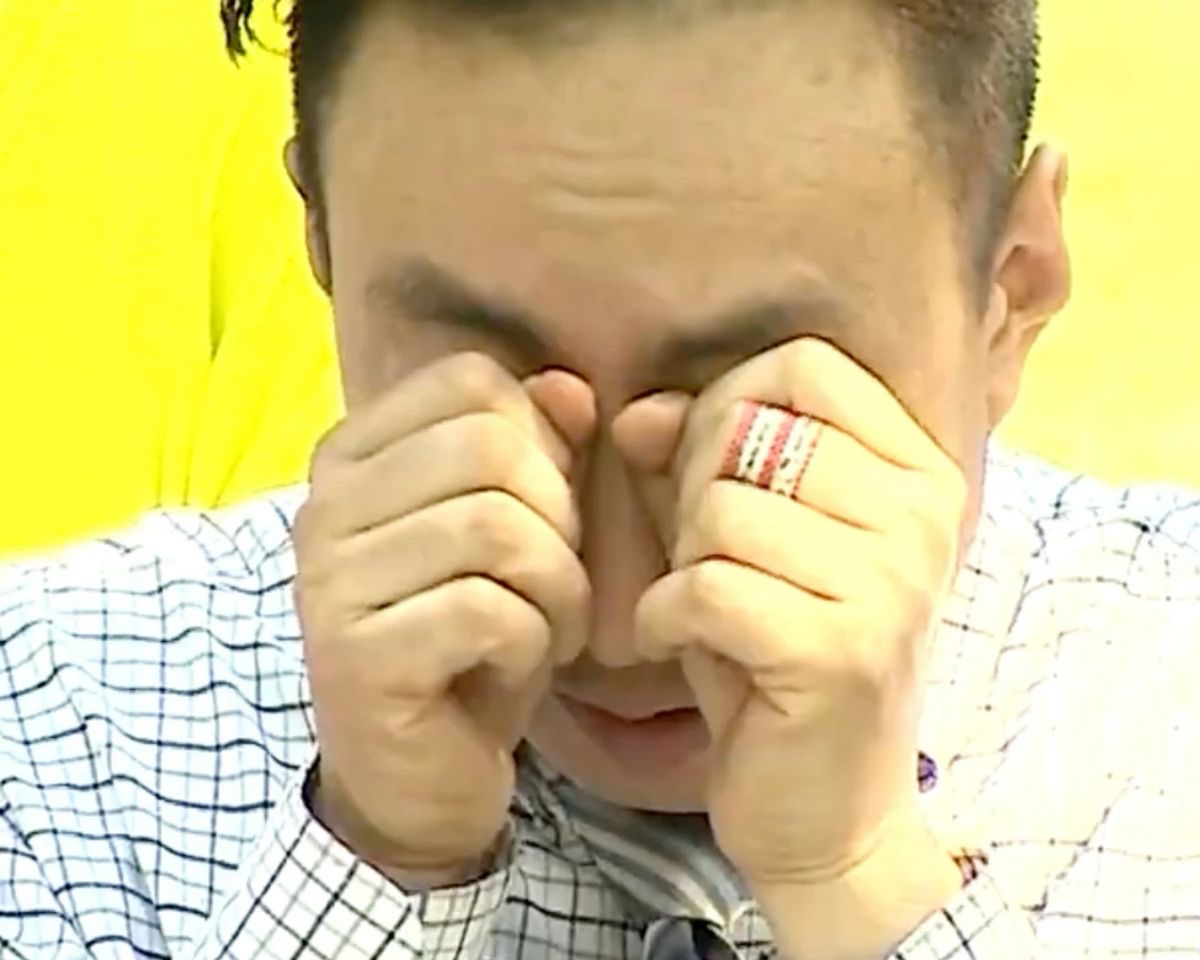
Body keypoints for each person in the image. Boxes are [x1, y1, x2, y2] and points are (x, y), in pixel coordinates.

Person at [2, 0, 1199, 956]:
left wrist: (865, 885)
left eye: (751, 403)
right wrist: (371, 864)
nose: (621, 616)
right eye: (487, 382)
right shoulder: (59, 723)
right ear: (321, 239)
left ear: (1012, 290)